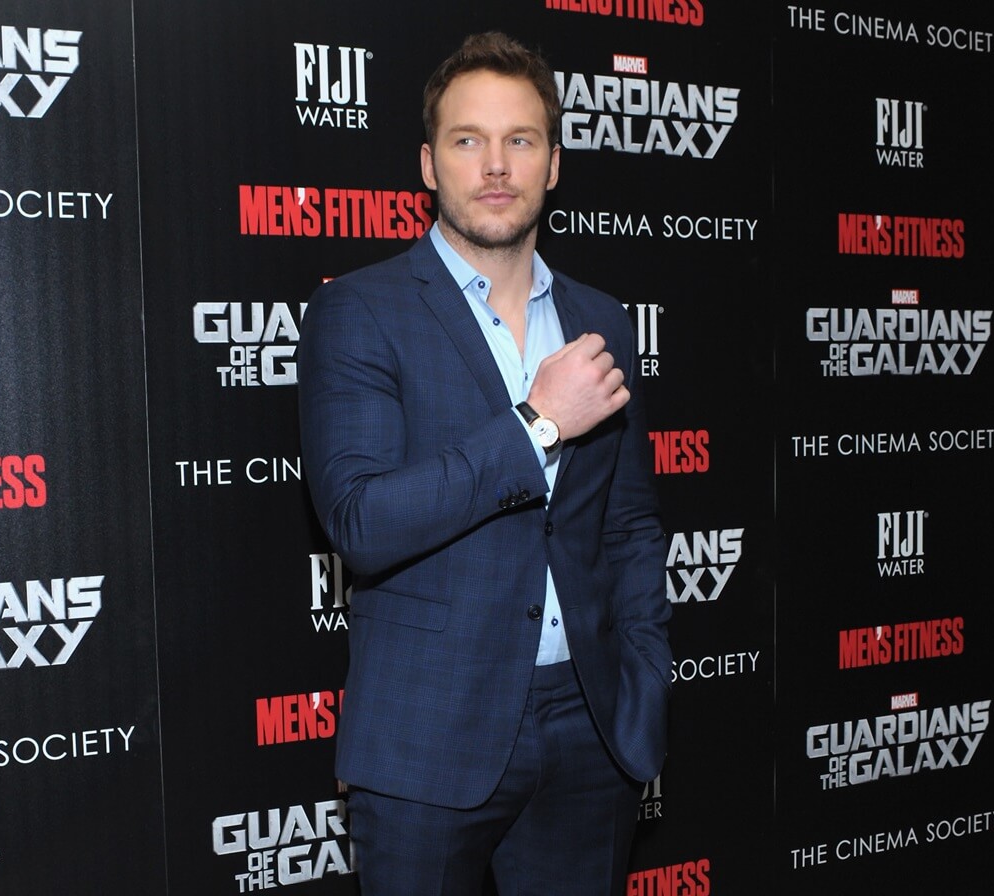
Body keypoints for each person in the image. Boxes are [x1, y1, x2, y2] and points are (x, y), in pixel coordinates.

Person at [298, 31, 671, 896]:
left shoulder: (601, 321)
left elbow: (629, 522)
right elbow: (360, 522)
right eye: (468, 140)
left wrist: (642, 680)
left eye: (521, 140)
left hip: (590, 728)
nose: (495, 165)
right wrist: (537, 421)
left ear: (554, 165)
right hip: (427, 739)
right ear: (429, 164)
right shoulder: (359, 312)